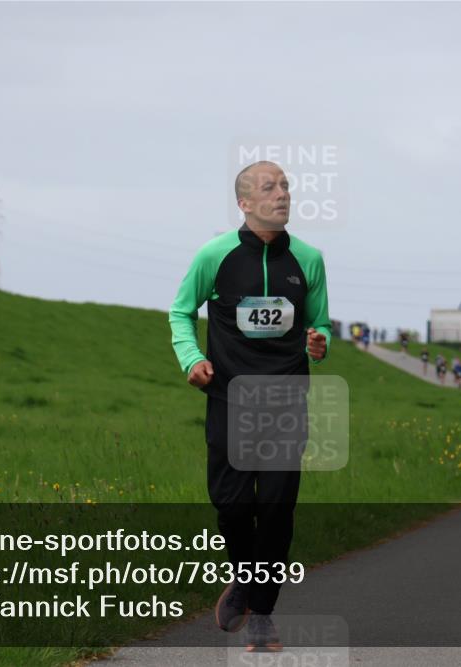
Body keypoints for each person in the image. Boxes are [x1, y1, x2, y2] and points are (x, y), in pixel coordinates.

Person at [169, 161, 332, 650]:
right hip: (229, 399)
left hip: (286, 400)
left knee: (277, 508)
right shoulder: (214, 255)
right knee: (234, 506)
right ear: (244, 202)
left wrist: (319, 342)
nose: (282, 194)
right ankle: (244, 577)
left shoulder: (309, 259)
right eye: (269, 187)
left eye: (285, 186)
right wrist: (192, 358)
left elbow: (320, 324)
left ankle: (262, 613)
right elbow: (181, 311)